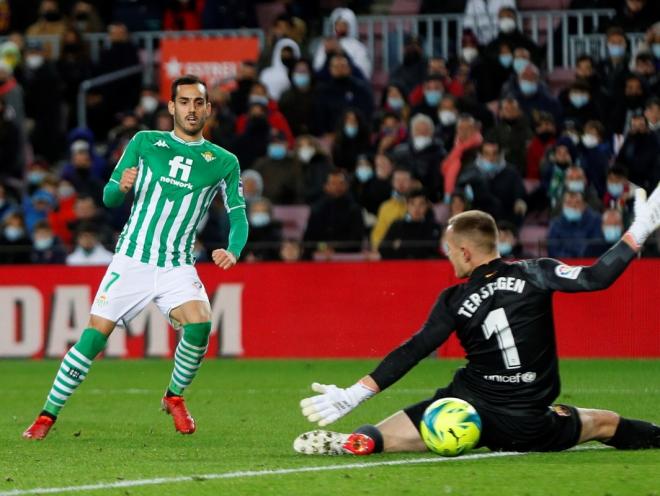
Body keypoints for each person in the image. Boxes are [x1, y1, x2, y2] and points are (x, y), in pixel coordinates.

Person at [294, 195, 660, 456]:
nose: (449, 257)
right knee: (606, 423)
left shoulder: (454, 299)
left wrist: (354, 394)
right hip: (528, 423)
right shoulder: (537, 272)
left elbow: (415, 349)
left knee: (387, 433)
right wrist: (638, 231)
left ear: (466, 252)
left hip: (465, 404)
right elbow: (596, 277)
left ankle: (364, 441)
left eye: (450, 250)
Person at [23, 75, 249, 440]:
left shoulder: (224, 161)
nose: (192, 109)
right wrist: (120, 187)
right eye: (185, 101)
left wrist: (233, 249)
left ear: (208, 109)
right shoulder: (145, 142)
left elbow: (239, 214)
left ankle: (174, 397)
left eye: (199, 103)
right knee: (94, 337)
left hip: (177, 262)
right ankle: (47, 416)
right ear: (172, 107)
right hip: (132, 259)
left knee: (200, 324)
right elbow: (110, 197)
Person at [378, 189, 441, 260]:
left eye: (421, 204)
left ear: (427, 206)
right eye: (412, 204)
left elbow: (433, 252)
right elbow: (382, 249)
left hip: (425, 268)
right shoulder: (397, 225)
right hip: (400, 267)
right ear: (407, 205)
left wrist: (400, 246)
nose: (417, 208)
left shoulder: (434, 227)